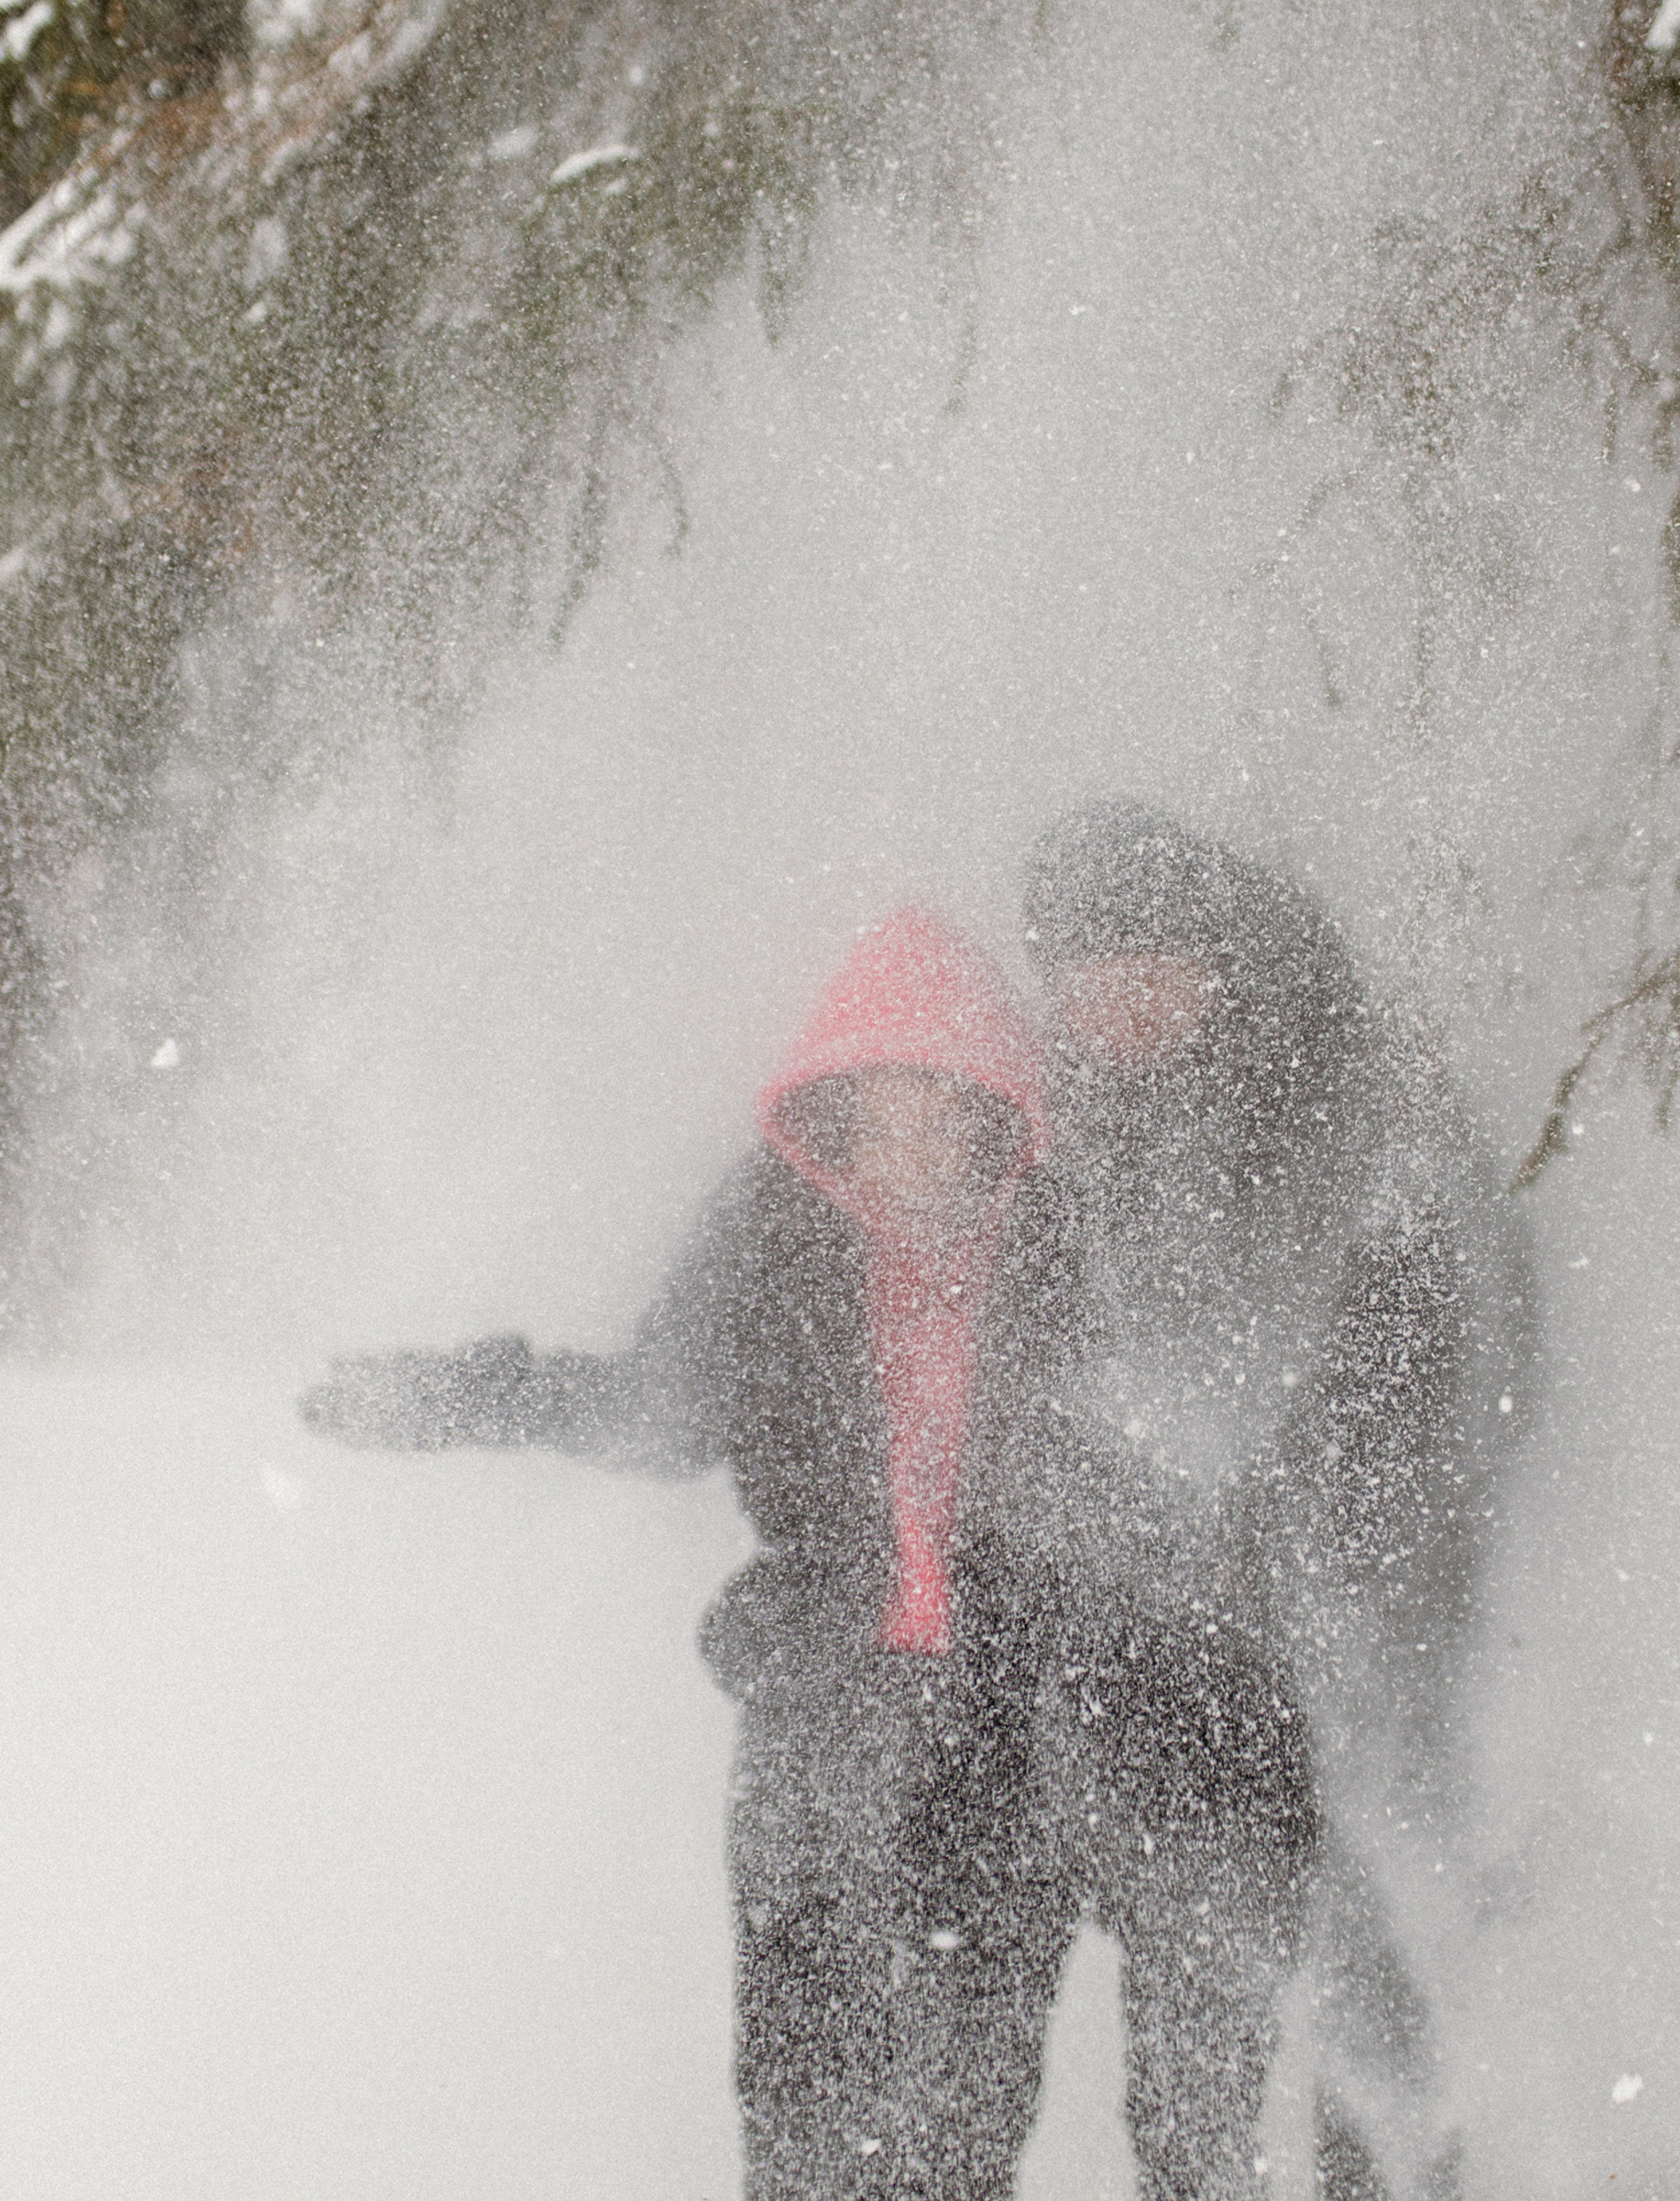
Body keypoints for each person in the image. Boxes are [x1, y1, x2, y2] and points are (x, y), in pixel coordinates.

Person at [301, 901, 1318, 2200]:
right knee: (804, 2097)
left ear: (993, 1103)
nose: (909, 1141)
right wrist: (462, 1395)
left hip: (1010, 1728)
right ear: (829, 1106)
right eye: (877, 1106)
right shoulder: (767, 1234)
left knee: (962, 2112)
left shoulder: (1065, 1238)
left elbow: (1163, 1447)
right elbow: (655, 1412)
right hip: (821, 1708)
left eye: (940, 1104)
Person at [1020, 800, 1537, 2200]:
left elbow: (1446, 1344)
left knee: (1378, 1929)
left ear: (1216, 963)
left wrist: (1317, 1542)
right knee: (1230, 1952)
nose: (1116, 998)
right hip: (1196, 1636)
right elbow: (1044, 1387)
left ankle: (1410, 2170)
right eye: (1084, 970)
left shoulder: (1350, 1116)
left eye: (1148, 961)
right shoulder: (1068, 1143)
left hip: (1374, 1610)